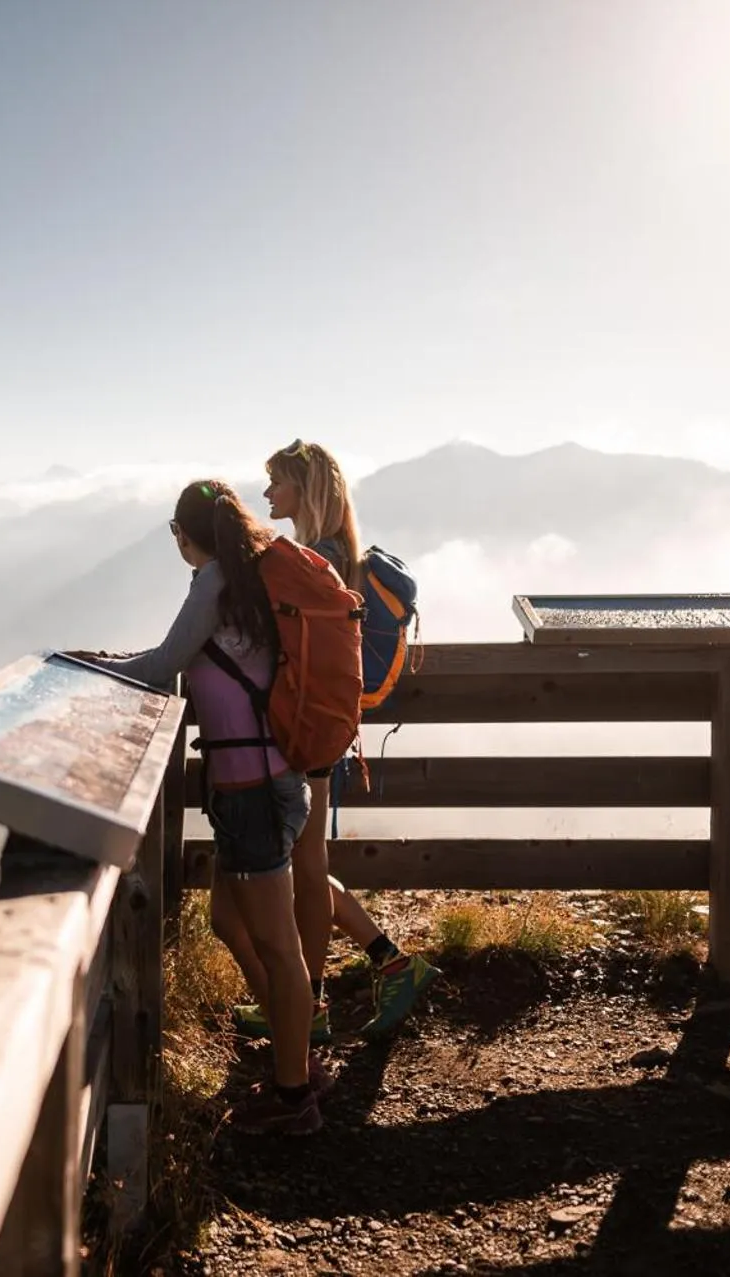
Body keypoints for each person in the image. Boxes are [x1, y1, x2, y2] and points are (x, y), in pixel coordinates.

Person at [83, 480, 330, 1135]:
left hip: (249, 788)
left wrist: (93, 666)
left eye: (174, 534)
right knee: (227, 917)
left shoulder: (215, 579)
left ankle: (293, 1095)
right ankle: (292, 1045)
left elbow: (164, 663)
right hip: (268, 779)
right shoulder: (256, 573)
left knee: (277, 947)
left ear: (183, 533)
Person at [232, 437, 434, 1042]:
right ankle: (386, 965)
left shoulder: (309, 559)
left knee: (304, 865)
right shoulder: (342, 555)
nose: (267, 493)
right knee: (305, 865)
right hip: (331, 730)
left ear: (305, 489)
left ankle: (311, 1005)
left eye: (277, 482)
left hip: (309, 732)